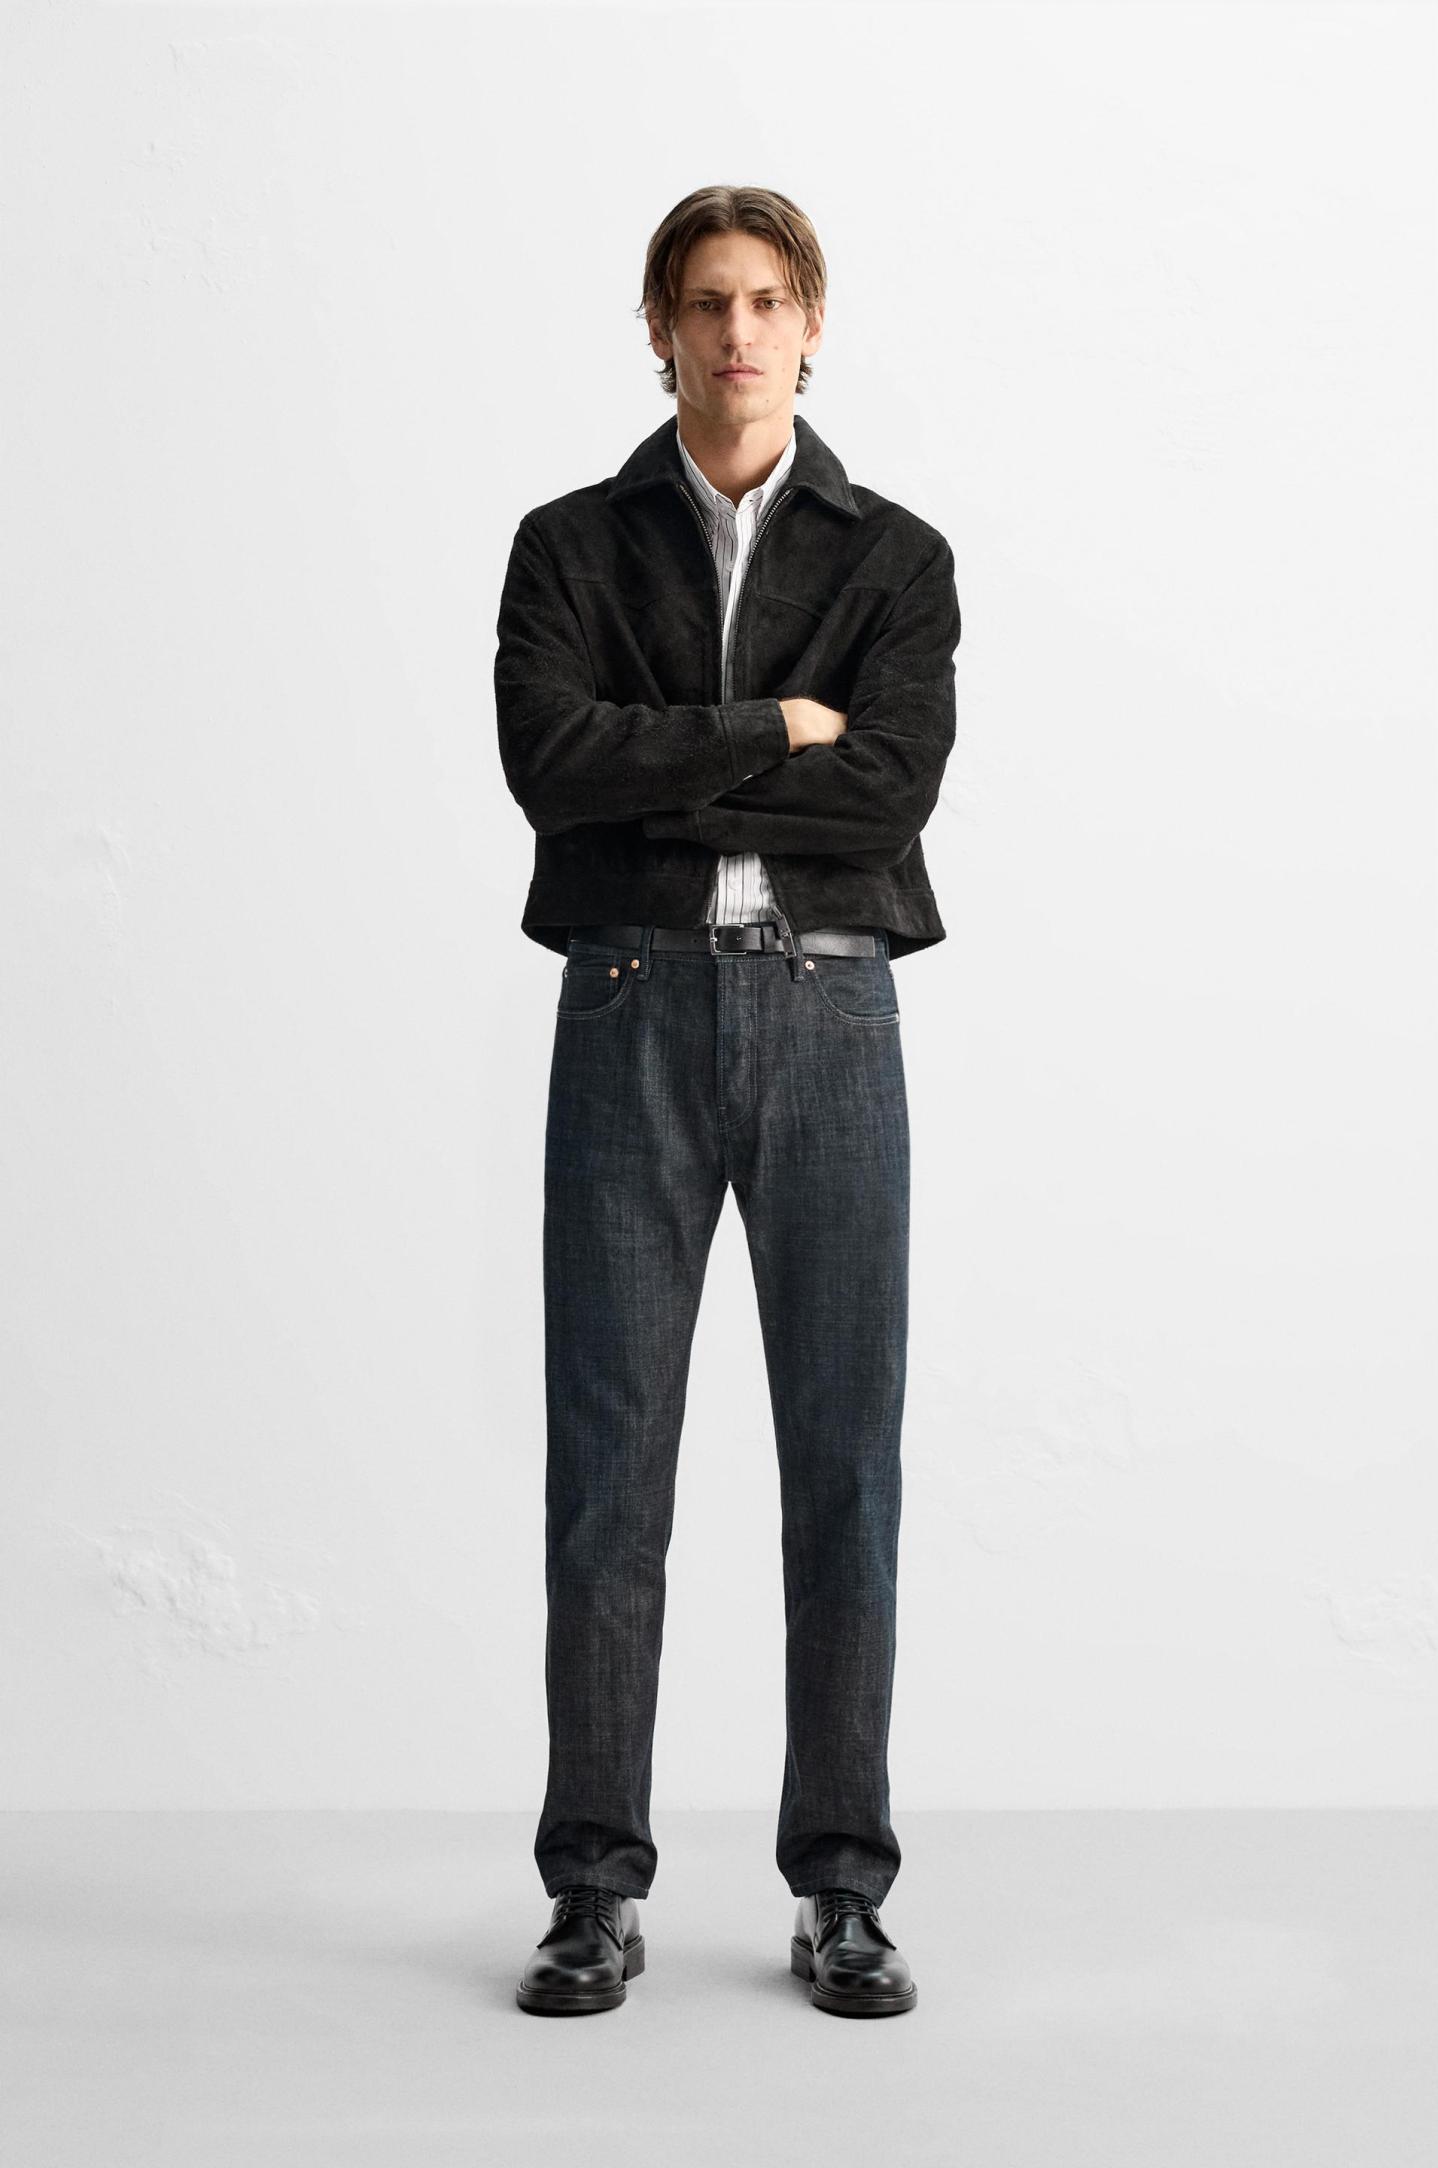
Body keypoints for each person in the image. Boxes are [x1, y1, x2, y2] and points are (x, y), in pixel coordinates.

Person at [495, 184, 960, 2018]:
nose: (739, 331)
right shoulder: (568, 546)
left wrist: (657, 774)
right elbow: (552, 766)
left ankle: (841, 1886)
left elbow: (891, 797)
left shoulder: (895, 558)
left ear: (812, 323)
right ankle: (590, 1888)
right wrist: (776, 726)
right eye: (706, 302)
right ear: (660, 330)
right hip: (629, 1004)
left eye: (769, 299)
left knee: (843, 1466)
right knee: (607, 1471)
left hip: (832, 1012)